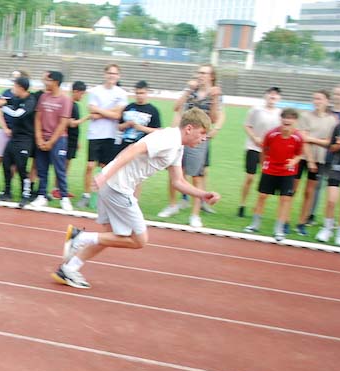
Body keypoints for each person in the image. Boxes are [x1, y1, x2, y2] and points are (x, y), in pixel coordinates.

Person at [54, 108, 219, 289]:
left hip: (114, 185)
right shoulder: (167, 139)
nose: (204, 138)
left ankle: (69, 268)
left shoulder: (177, 145)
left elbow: (178, 181)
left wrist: (202, 195)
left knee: (111, 236)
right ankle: (80, 237)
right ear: (189, 128)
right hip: (117, 187)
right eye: (202, 133)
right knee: (139, 240)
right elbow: (132, 149)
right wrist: (105, 174)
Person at [159, 64, 224, 228]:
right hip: (181, 136)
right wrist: (188, 90)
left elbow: (215, 118)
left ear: (211, 76)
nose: (200, 75)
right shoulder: (191, 90)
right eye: (199, 72)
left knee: (197, 176)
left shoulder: (215, 94)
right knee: (175, 171)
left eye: (204, 73)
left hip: (199, 139)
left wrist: (215, 99)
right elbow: (176, 107)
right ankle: (173, 205)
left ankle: (195, 215)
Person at [243, 108, 304, 241]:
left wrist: (293, 161)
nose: (286, 124)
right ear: (281, 120)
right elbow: (264, 150)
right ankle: (255, 224)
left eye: (290, 121)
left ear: (295, 122)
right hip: (270, 170)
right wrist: (264, 164)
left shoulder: (298, 137)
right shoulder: (271, 134)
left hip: (287, 172)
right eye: (284, 121)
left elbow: (300, 154)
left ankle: (279, 229)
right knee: (262, 196)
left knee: (285, 199)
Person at [78, 64, 127, 209]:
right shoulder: (95, 91)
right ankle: (86, 195)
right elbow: (91, 109)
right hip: (95, 134)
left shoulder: (121, 93)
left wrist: (99, 113)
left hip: (111, 135)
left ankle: (102, 197)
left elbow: (118, 115)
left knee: (105, 168)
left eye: (115, 73)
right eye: (109, 73)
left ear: (118, 76)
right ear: (104, 74)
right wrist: (108, 113)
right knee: (90, 166)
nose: (112, 76)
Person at [293, 90, 337, 236]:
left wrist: (311, 139)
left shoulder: (332, 120)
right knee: (292, 190)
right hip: (302, 158)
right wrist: (310, 159)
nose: (316, 101)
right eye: (314, 99)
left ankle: (301, 223)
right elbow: (302, 139)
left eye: (319, 99)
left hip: (320, 160)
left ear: (326, 101)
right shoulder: (305, 116)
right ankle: (284, 221)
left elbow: (329, 142)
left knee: (309, 192)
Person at [31, 70, 73, 211]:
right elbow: (38, 117)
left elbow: (63, 124)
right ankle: (41, 195)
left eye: (48, 80)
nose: (45, 83)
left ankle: (64, 197)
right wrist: (39, 137)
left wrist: (51, 142)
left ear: (55, 82)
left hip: (58, 139)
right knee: (41, 168)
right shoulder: (44, 97)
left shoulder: (65, 100)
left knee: (59, 169)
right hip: (42, 137)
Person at [238, 87, 282, 218]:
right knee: (250, 177)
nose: (272, 97)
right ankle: (242, 204)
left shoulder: (280, 113)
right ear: (266, 96)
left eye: (275, 95)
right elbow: (247, 125)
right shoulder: (256, 110)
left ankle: (257, 207)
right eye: (270, 94)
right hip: (253, 147)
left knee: (265, 179)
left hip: (269, 151)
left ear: (279, 98)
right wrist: (254, 138)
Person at [0, 70, 26, 196]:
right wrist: (5, 128)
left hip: (17, 133)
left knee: (13, 162)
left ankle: (6, 187)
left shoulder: (23, 97)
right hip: (3, 130)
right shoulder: (6, 93)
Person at [0, 76, 38, 204]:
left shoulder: (30, 100)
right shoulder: (17, 99)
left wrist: (2, 107)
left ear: (21, 88)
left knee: (21, 167)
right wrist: (0, 101)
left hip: (25, 139)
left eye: (14, 86)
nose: (12, 88)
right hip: (14, 138)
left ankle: (25, 194)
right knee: (6, 163)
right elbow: (9, 101)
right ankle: (7, 192)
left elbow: (18, 114)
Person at [55, 80, 88, 201]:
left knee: (66, 164)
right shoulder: (68, 104)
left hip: (72, 139)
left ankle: (61, 188)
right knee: (62, 165)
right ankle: (57, 189)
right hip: (66, 138)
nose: (82, 96)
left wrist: (77, 141)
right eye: (82, 94)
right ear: (75, 91)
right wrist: (87, 118)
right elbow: (70, 123)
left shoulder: (76, 105)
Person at [318, 115, 340, 245]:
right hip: (336, 168)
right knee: (331, 201)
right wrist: (338, 145)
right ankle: (327, 229)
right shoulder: (339, 126)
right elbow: (331, 147)